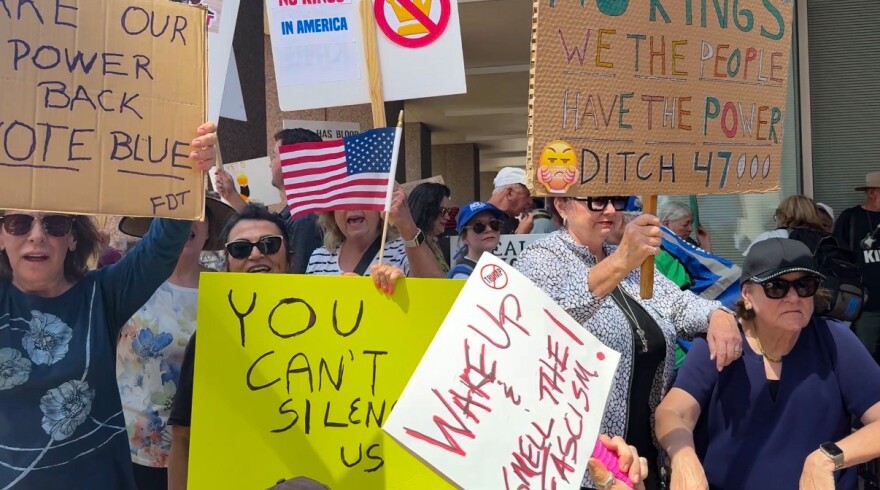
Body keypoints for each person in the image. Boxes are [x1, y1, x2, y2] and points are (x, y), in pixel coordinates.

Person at [0, 122, 217, 489]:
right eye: (19, 222)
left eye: (54, 223)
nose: (36, 235)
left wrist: (188, 167)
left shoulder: (102, 296)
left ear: (71, 237)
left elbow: (164, 243)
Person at [514, 195, 741, 490]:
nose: (610, 210)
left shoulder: (628, 259)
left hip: (644, 454)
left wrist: (718, 315)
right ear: (562, 205)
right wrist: (621, 259)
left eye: (616, 200)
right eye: (596, 201)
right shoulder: (540, 257)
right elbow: (552, 317)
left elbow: (679, 306)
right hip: (580, 462)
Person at [655, 238, 880, 490]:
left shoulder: (834, 340)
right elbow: (673, 412)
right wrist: (683, 456)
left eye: (805, 285)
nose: (793, 297)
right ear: (747, 294)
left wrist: (828, 458)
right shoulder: (723, 340)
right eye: (776, 287)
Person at [115, 196, 234, 490]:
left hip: (200, 452)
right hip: (126, 451)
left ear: (209, 230)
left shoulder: (228, 295)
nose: (184, 220)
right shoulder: (126, 283)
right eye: (173, 211)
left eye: (194, 211)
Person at [214, 128, 324, 274]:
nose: (270, 164)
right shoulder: (296, 214)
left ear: (292, 161)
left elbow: (297, 277)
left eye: (274, 156)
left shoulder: (306, 218)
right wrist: (232, 195)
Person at [306, 186, 445, 278]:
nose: (353, 206)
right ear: (332, 213)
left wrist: (407, 226)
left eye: (363, 197)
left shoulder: (405, 252)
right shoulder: (318, 259)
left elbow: (436, 293)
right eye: (344, 199)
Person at [834, 172, 880, 361]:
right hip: (866, 304)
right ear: (872, 193)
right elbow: (836, 255)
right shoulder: (851, 218)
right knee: (864, 358)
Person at [743, 195, 828, 255]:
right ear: (814, 214)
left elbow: (749, 266)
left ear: (781, 215)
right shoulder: (827, 239)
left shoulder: (770, 237)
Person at [447, 201, 505, 278]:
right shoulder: (462, 276)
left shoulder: (497, 266)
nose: (489, 229)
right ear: (464, 238)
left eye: (494, 223)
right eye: (478, 226)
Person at [407, 182, 452, 274]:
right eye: (442, 211)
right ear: (425, 210)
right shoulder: (407, 246)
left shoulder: (433, 243)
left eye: (448, 211)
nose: (448, 217)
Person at [487, 167, 534, 234]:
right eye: (527, 195)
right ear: (510, 193)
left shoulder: (509, 220)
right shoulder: (481, 218)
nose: (530, 202)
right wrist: (521, 235)